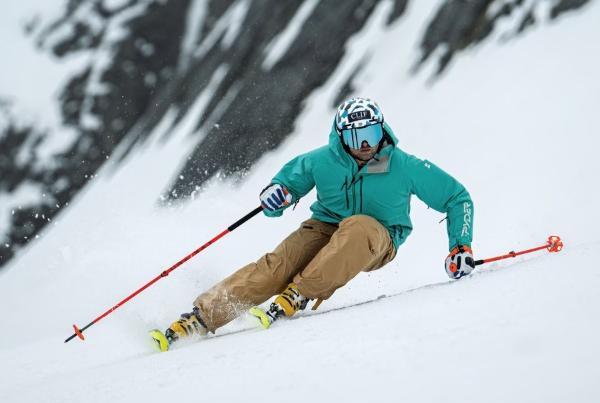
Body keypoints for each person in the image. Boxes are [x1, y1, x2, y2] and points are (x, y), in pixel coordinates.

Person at [155, 97, 475, 349]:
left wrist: (460, 246)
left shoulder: (404, 166)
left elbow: (457, 197)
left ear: (382, 131)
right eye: (356, 136)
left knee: (359, 226)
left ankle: (300, 293)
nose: (366, 144)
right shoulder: (323, 160)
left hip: (377, 236)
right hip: (325, 226)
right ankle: (200, 318)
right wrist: (276, 194)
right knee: (277, 266)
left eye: (372, 134)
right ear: (342, 136)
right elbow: (286, 184)